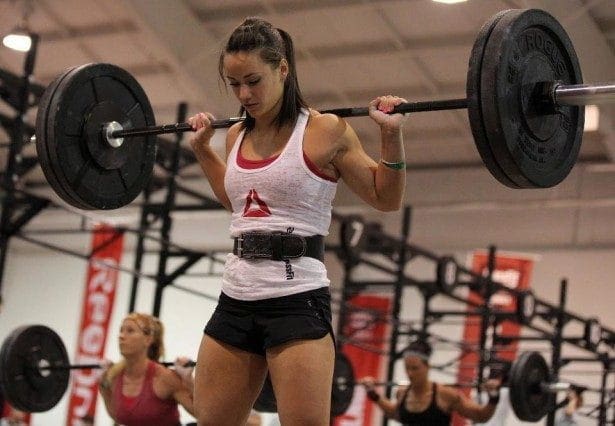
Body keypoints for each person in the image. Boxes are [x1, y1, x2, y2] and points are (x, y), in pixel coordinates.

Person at [187, 16, 407, 426]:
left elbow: (386, 197)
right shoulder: (235, 135)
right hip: (235, 299)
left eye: (253, 80)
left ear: (282, 69)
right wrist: (203, 152)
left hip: (296, 300)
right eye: (234, 84)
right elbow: (240, 204)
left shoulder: (325, 131)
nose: (244, 93)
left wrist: (391, 135)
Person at [360, 340, 501, 425]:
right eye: (407, 368)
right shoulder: (402, 393)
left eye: (415, 368)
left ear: (427, 367)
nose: (410, 373)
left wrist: (493, 396)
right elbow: (396, 414)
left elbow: (480, 416)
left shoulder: (445, 394)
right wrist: (373, 394)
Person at [98, 312, 195, 426]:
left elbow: (202, 414)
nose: (121, 336)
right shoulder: (113, 376)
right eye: (121, 330)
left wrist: (189, 381)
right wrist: (103, 386)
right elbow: (117, 416)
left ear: (148, 339)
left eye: (130, 331)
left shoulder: (164, 378)